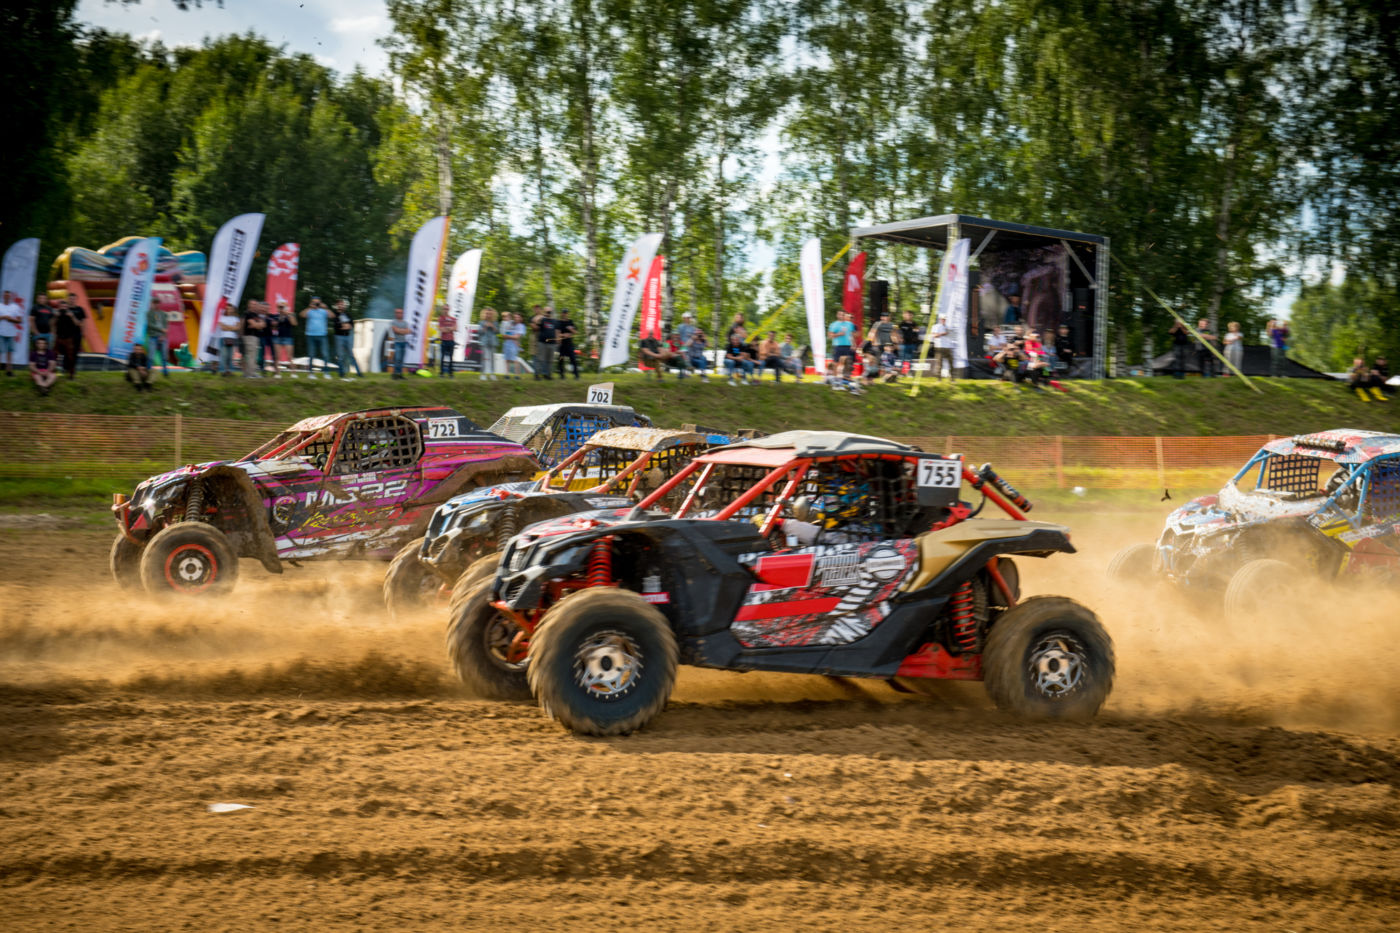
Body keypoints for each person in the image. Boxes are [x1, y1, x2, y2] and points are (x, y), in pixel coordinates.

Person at [300, 297, 333, 379]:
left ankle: (326, 373)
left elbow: (332, 316)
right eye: (314, 302)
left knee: (325, 354)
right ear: (311, 303)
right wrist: (309, 307)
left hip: (322, 335)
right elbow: (301, 315)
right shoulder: (309, 310)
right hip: (310, 335)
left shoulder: (323, 311)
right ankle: (311, 374)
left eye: (317, 302)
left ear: (320, 303)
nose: (316, 304)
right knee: (311, 355)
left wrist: (326, 308)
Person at [54, 297, 86, 379]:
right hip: (59, 337)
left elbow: (78, 324)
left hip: (69, 338)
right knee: (55, 355)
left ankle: (71, 373)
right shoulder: (57, 314)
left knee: (71, 356)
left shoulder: (71, 313)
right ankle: (54, 372)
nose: (63, 308)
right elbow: (52, 324)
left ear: (67, 307)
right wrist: (56, 316)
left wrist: (72, 316)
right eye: (62, 306)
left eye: (65, 307)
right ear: (59, 307)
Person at [331, 300, 362, 379]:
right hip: (339, 337)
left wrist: (344, 326)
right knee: (340, 356)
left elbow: (351, 325)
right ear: (337, 305)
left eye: (343, 304)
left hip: (348, 337)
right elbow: (337, 326)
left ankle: (359, 373)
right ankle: (341, 373)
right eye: (340, 304)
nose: (342, 306)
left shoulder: (347, 314)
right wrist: (345, 326)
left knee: (351, 355)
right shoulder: (335, 315)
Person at [827, 309, 856, 388]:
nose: (842, 316)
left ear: (845, 315)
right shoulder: (833, 324)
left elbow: (851, 335)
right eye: (840, 314)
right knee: (836, 364)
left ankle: (844, 381)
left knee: (846, 365)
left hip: (848, 346)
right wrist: (839, 334)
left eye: (843, 315)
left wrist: (853, 344)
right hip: (837, 346)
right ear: (837, 315)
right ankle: (836, 382)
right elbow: (829, 336)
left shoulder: (850, 324)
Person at [0, 290, 24, 376]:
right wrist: (4, 317)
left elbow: (20, 320)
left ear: (11, 297)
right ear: (3, 296)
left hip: (11, 333)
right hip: (0, 332)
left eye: (8, 296)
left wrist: (10, 319)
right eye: (5, 295)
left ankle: (9, 371)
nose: (7, 297)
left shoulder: (15, 307)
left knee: (9, 352)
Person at [146, 294, 170, 376]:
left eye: (157, 303)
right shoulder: (149, 313)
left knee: (164, 356)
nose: (156, 304)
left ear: (159, 304)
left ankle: (165, 372)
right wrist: (161, 330)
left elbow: (166, 326)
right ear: (152, 303)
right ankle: (148, 372)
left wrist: (163, 335)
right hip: (153, 336)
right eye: (155, 303)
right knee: (151, 356)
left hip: (162, 337)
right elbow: (150, 325)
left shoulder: (163, 314)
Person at [531, 305, 557, 380]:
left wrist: (557, 340)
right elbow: (535, 323)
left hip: (552, 343)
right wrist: (542, 316)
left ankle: (548, 375)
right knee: (540, 359)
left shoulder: (554, 321)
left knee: (550, 360)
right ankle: (537, 375)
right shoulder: (542, 319)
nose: (548, 313)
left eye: (550, 311)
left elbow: (556, 331)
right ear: (544, 311)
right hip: (542, 342)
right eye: (547, 311)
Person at [240, 301, 265, 378]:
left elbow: (263, 325)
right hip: (249, 336)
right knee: (250, 356)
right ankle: (249, 374)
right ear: (249, 305)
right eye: (252, 304)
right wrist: (257, 325)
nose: (254, 305)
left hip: (255, 337)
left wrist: (256, 325)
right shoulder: (248, 314)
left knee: (254, 356)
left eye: (255, 304)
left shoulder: (257, 315)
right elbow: (255, 325)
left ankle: (253, 372)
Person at [217, 301, 241, 376]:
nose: (229, 310)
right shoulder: (222, 317)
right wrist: (232, 327)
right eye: (228, 309)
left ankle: (230, 371)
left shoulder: (236, 318)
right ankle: (222, 371)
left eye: (231, 309)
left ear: (233, 310)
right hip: (223, 338)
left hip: (232, 338)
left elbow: (238, 328)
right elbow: (222, 328)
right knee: (224, 355)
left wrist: (227, 326)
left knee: (230, 356)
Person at [272, 300, 296, 376]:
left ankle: (293, 373)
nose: (281, 308)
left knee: (289, 357)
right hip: (278, 338)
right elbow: (273, 327)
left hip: (288, 337)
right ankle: (277, 373)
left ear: (286, 307)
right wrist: (275, 323)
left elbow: (294, 323)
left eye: (283, 307)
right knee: (277, 356)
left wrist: (288, 314)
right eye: (280, 307)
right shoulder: (276, 316)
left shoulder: (290, 314)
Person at [555, 309, 580, 379]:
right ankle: (561, 375)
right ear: (561, 314)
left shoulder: (570, 322)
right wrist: (564, 335)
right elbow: (557, 334)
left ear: (568, 314)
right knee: (561, 359)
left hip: (569, 344)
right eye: (563, 313)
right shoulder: (559, 322)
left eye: (566, 313)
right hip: (562, 344)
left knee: (573, 358)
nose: (565, 314)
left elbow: (576, 332)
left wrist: (571, 330)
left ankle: (576, 375)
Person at [501, 312, 526, 379]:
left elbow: (517, 337)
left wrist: (508, 336)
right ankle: (507, 374)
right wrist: (508, 335)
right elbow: (504, 334)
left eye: (518, 317)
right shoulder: (510, 323)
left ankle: (517, 375)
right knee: (507, 359)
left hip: (514, 345)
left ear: (521, 318)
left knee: (515, 360)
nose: (516, 318)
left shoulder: (521, 326)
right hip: (507, 344)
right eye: (515, 317)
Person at [930, 314, 954, 382]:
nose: (943, 320)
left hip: (948, 347)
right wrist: (942, 334)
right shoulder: (936, 326)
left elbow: (951, 336)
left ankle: (952, 378)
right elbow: (934, 335)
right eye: (942, 319)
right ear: (939, 319)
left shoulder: (948, 327)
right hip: (939, 347)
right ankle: (939, 379)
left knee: (951, 363)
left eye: (945, 319)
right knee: (939, 364)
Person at [433, 305, 456, 378]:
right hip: (444, 340)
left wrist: (447, 328)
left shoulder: (453, 318)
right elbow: (441, 329)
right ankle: (441, 373)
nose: (445, 310)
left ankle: (451, 373)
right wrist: (450, 328)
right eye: (444, 309)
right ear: (442, 309)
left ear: (449, 309)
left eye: (447, 309)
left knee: (451, 358)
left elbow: (455, 328)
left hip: (451, 340)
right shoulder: (441, 318)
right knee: (442, 358)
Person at [390, 307, 411, 379]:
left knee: (401, 360)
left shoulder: (405, 322)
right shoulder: (393, 322)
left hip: (404, 343)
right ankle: (395, 374)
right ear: (395, 314)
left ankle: (399, 374)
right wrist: (403, 331)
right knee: (397, 359)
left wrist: (400, 330)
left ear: (403, 314)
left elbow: (408, 331)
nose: (399, 314)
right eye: (397, 313)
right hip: (397, 343)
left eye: (400, 313)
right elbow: (396, 331)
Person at [477, 307, 498, 380]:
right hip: (484, 342)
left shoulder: (495, 322)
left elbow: (497, 332)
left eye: (490, 314)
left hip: (492, 342)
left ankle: (492, 374)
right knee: (483, 358)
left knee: (492, 359)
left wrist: (493, 326)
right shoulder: (481, 322)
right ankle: (483, 374)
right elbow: (479, 333)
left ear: (492, 314)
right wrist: (485, 327)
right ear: (484, 314)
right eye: (487, 313)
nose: (488, 315)